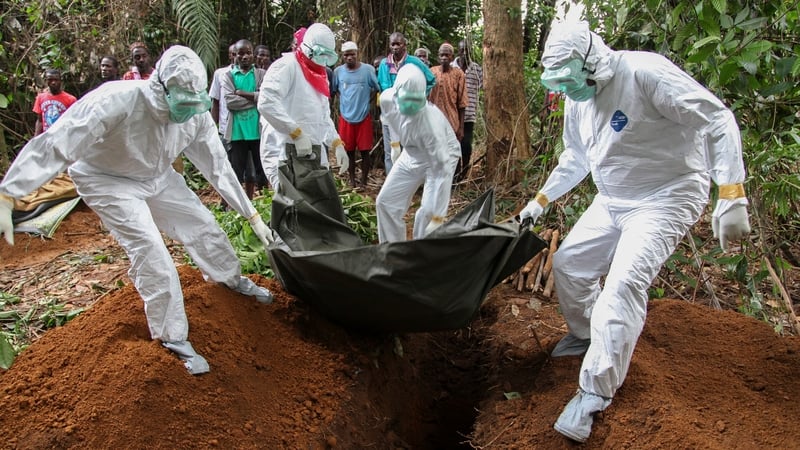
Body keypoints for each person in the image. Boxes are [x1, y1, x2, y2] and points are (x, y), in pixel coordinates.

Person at [518, 21, 751, 442]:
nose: (569, 90)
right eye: (561, 83)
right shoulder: (578, 99)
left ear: (591, 62)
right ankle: (588, 333)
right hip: (612, 196)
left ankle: (594, 392)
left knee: (622, 285)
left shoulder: (644, 73)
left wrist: (731, 192)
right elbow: (575, 157)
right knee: (569, 264)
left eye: (571, 79)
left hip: (667, 193)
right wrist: (540, 200)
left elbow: (716, 119)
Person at [0, 46, 275, 376]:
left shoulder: (195, 115)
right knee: (151, 249)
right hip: (107, 180)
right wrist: (9, 194)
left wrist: (251, 215)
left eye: (193, 104)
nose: (187, 112)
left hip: (157, 175)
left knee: (203, 225)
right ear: (161, 87)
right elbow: (57, 142)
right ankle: (172, 338)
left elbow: (217, 166)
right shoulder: (118, 100)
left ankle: (230, 280)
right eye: (182, 104)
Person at [257, 23, 348, 191]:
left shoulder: (321, 74)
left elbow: (323, 116)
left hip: (313, 151)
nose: (323, 60)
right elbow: (266, 102)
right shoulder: (286, 66)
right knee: (291, 202)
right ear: (307, 48)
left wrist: (336, 143)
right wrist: (295, 133)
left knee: (318, 200)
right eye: (321, 54)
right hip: (284, 149)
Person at [376, 64, 460, 243]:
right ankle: (393, 252)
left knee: (427, 214)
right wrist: (395, 145)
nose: (410, 107)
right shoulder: (386, 99)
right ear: (396, 93)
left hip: (440, 157)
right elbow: (391, 119)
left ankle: (421, 258)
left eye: (416, 101)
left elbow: (442, 171)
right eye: (406, 100)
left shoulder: (431, 125)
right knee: (385, 202)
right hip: (411, 153)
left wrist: (438, 215)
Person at [377, 32, 436, 175]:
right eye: (393, 44)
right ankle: (392, 184)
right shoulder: (384, 64)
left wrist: (418, 96)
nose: (396, 47)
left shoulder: (414, 62)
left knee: (410, 150)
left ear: (405, 45)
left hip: (409, 115)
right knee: (390, 150)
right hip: (390, 116)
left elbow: (431, 80)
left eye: (399, 44)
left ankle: (410, 183)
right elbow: (381, 86)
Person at [219, 39, 268, 199]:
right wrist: (254, 99)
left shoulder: (261, 74)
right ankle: (235, 205)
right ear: (235, 56)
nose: (245, 56)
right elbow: (230, 102)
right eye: (241, 53)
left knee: (262, 172)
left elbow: (266, 98)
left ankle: (265, 201)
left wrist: (243, 94)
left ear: (253, 55)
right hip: (237, 133)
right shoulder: (227, 76)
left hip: (258, 132)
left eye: (248, 53)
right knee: (236, 173)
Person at [331, 41, 380, 188]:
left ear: (357, 54)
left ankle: (364, 182)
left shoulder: (368, 70)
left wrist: (367, 102)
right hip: (346, 118)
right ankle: (352, 181)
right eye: (346, 54)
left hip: (364, 117)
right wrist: (345, 101)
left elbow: (376, 88)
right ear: (342, 56)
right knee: (349, 151)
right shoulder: (338, 72)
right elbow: (334, 90)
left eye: (352, 54)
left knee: (365, 151)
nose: (350, 57)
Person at [454, 40, 483, 181]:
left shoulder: (476, 69)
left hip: (469, 115)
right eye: (462, 50)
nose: (464, 53)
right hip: (452, 115)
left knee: (466, 146)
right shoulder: (452, 67)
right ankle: (454, 174)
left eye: (467, 50)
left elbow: (483, 86)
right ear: (458, 51)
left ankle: (463, 173)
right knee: (453, 146)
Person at [428, 43, 467, 142]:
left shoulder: (458, 74)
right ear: (438, 57)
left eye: (447, 55)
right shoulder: (431, 72)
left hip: (452, 122)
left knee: (452, 153)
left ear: (452, 57)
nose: (444, 58)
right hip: (433, 123)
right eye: (442, 55)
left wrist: (461, 128)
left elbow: (462, 102)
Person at [33, 69, 77, 136]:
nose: (53, 82)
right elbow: (40, 121)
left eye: (56, 80)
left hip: (63, 137)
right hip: (47, 137)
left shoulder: (71, 99)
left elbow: (74, 121)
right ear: (46, 81)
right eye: (50, 80)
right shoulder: (40, 98)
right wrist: (35, 140)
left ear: (60, 81)